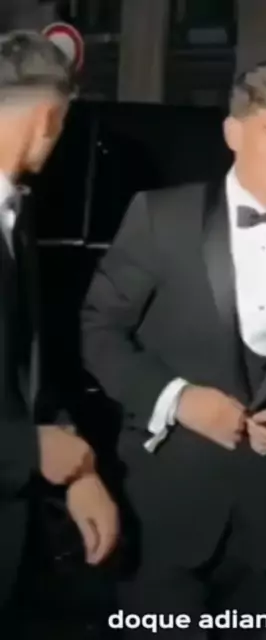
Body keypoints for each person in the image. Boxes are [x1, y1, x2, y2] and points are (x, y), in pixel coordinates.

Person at [82, 61, 266, 638]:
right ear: (234, 133)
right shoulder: (161, 217)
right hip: (165, 502)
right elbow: (99, 330)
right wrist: (176, 398)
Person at [0, 30, 118, 615]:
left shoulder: (15, 216)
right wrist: (28, 450)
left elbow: (20, 379)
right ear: (50, 118)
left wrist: (74, 470)